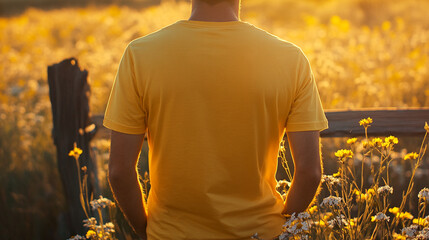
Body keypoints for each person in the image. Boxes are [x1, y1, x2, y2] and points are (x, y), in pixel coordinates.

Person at [103, 0, 328, 239]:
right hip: (261, 232)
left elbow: (120, 171)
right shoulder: (291, 59)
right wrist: (281, 230)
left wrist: (146, 230)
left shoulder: (140, 55)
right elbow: (309, 172)